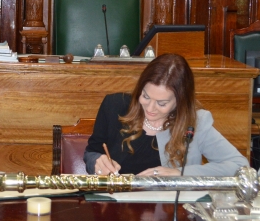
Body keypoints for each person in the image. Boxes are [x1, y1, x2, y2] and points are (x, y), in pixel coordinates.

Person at [84, 53, 248, 177]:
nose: (150, 108)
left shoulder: (196, 123)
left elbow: (240, 165)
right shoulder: (114, 106)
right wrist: (96, 162)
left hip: (172, 209)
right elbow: (92, 152)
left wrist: (179, 173)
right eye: (145, 96)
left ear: (180, 101)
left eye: (162, 103)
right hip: (116, 205)